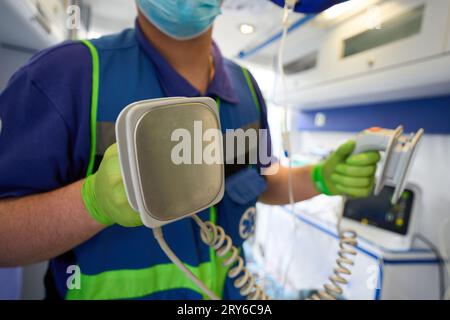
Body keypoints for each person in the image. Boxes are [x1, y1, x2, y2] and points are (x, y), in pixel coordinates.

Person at [0, 0, 380, 299]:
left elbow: (263, 180)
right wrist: (93, 202)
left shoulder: (247, 88)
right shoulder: (68, 74)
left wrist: (319, 177)